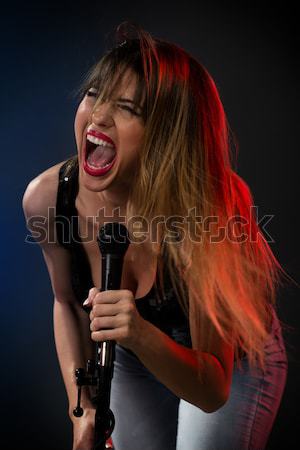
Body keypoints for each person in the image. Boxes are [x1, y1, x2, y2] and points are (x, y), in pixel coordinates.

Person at [22, 22, 289, 450]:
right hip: (133, 348)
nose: (98, 116)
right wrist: (83, 411)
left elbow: (211, 389)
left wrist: (140, 334)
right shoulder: (48, 199)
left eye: (127, 107)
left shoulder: (205, 214)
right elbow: (67, 303)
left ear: (164, 136)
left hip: (234, 364)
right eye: (94, 93)